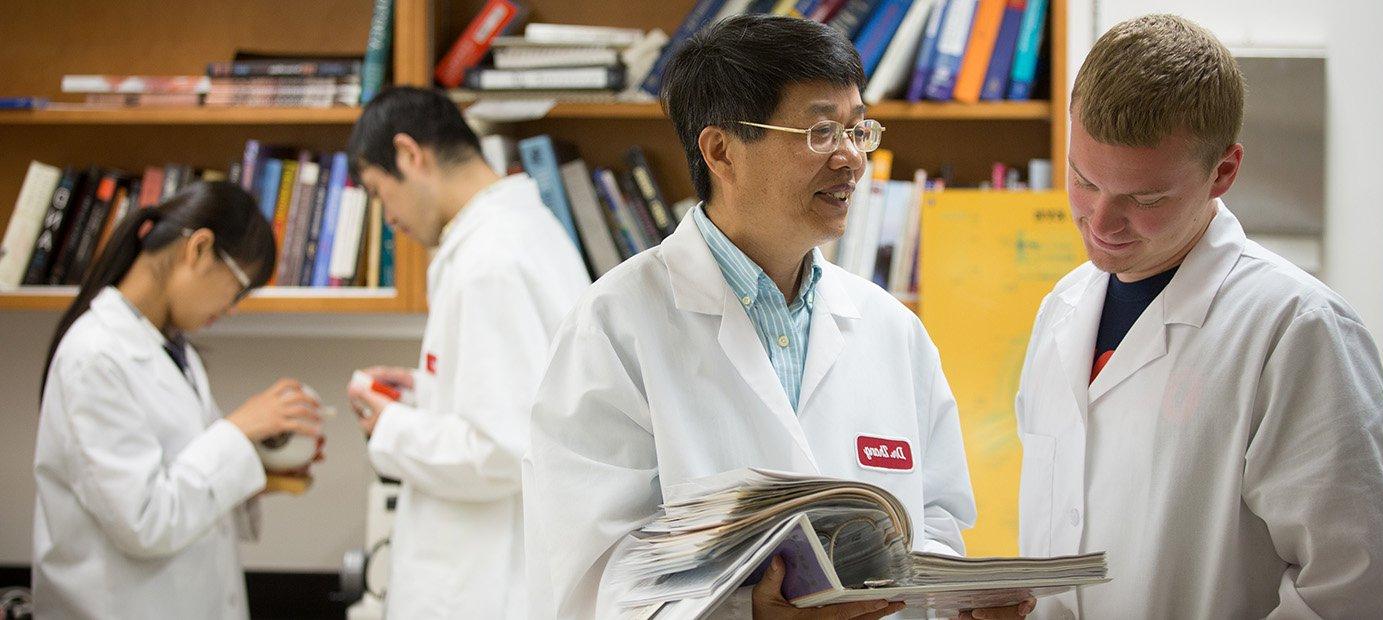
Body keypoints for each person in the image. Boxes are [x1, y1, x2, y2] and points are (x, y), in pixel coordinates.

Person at [524, 15, 1028, 619]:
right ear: (721, 151)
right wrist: (750, 614)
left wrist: (958, 605)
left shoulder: (891, 330)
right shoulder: (615, 326)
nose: (851, 160)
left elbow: (936, 523)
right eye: (820, 132)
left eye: (857, 129)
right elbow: (587, 572)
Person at [1013, 14, 1383, 618]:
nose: (1100, 223)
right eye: (1083, 181)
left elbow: (1367, 593)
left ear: (1223, 172)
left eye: (1146, 198)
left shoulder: (1296, 329)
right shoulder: (1062, 310)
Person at [343, 86, 591, 618]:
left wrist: (389, 426)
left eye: (378, 190)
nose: (387, 218)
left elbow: (503, 449)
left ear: (410, 155)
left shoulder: (489, 263)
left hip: (486, 587)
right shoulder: (524, 233)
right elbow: (519, 400)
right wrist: (425, 392)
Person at [32, 181, 325, 619]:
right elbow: (144, 521)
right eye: (239, 289)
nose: (231, 309)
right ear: (199, 250)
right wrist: (238, 430)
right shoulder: (94, 357)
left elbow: (182, 471)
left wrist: (259, 470)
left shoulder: (171, 350)